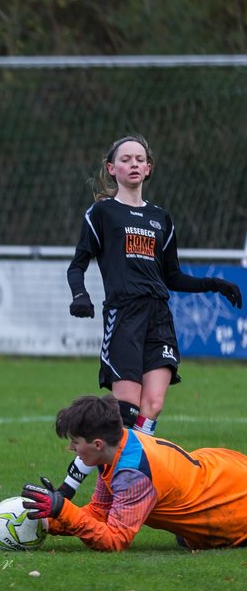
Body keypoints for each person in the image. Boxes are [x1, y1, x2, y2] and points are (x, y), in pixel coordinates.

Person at [59, 134, 241, 500]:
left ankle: (122, 489)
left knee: (151, 408)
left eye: (140, 158)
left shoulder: (160, 218)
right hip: (124, 315)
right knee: (122, 414)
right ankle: (71, 487)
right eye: (125, 159)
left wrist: (214, 283)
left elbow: (172, 276)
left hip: (159, 316)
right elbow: (78, 264)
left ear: (149, 168)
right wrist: (81, 295)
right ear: (112, 169)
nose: (133, 164)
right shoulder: (102, 213)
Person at [22, 394, 247, 552]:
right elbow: (100, 512)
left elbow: (115, 540)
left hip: (233, 505)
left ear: (98, 444)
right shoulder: (116, 447)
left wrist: (62, 508)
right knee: (186, 536)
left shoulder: (132, 475)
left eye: (75, 442)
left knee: (194, 539)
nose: (71, 448)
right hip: (224, 472)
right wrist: (49, 520)